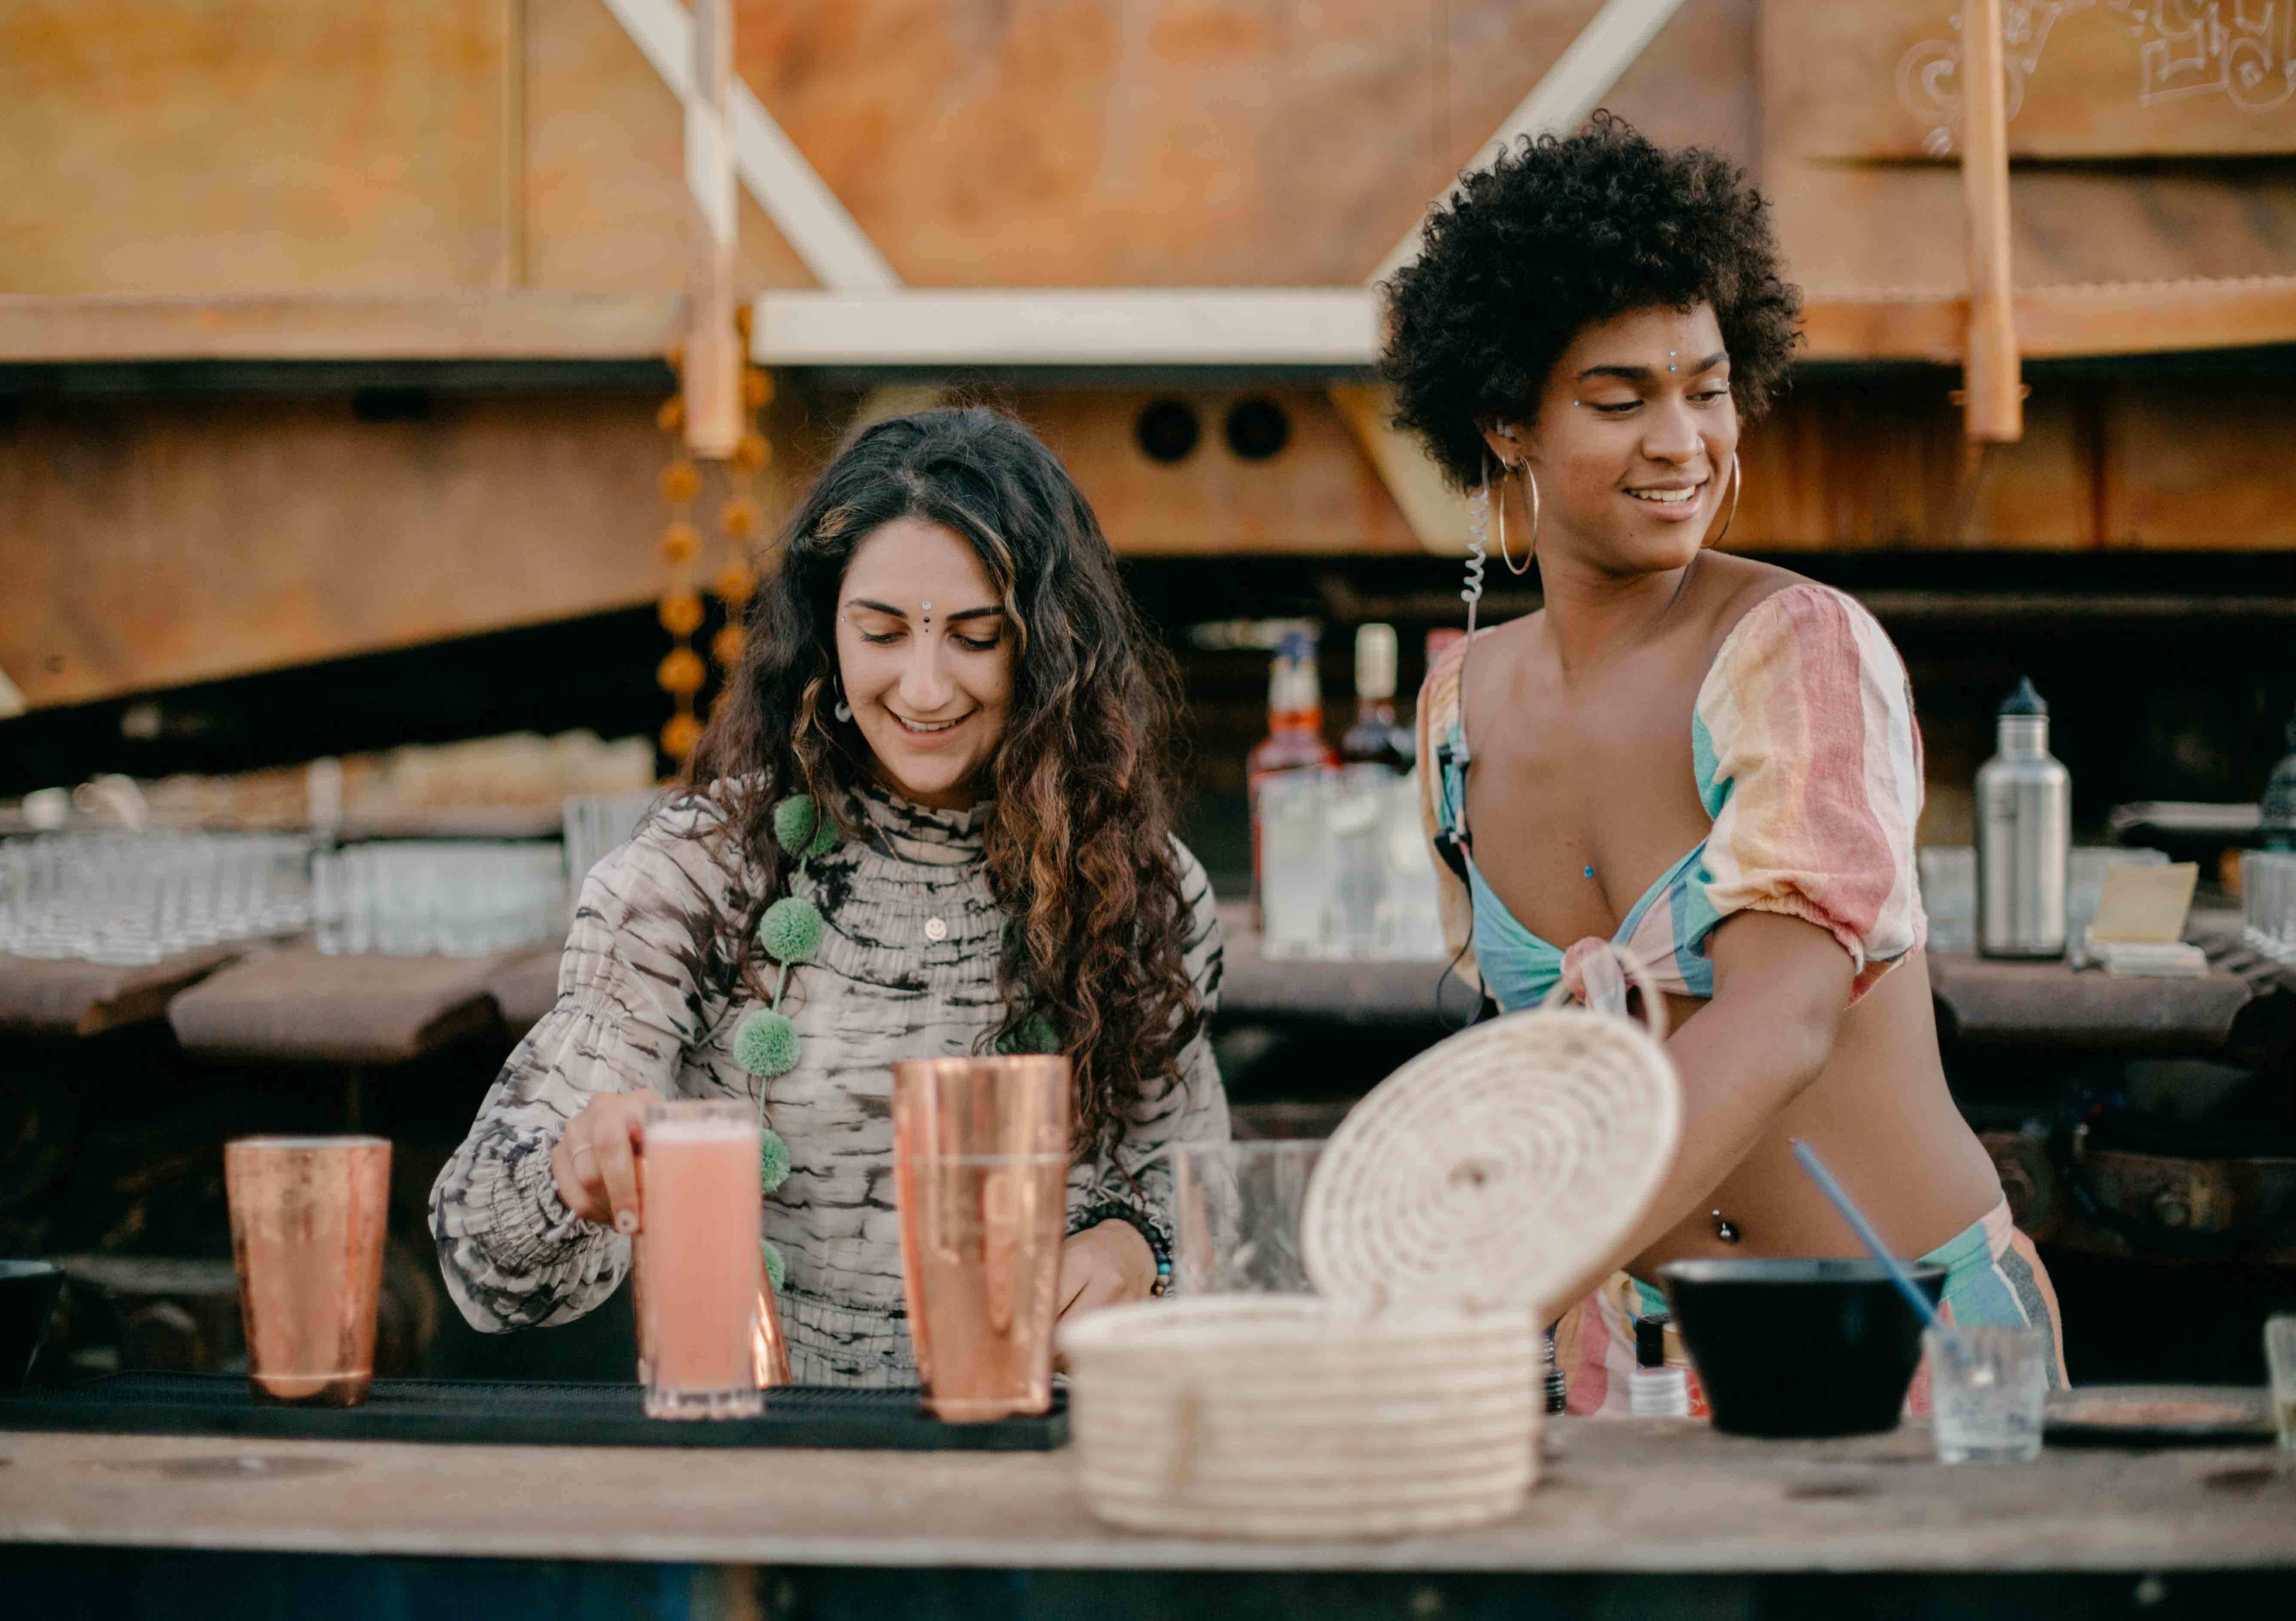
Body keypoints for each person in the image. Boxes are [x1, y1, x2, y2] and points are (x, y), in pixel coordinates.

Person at [1382, 116, 2063, 1414]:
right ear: (1504, 422)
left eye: (1705, 386)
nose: (1681, 439)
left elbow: (1784, 1012)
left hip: (1903, 1356)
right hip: (1625, 1371)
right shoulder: (1455, 712)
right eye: (1618, 397)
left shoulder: (1797, 650)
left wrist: (1512, 1269)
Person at [429, 407, 1228, 1386]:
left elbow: (1206, 1211)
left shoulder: (1143, 890)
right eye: (882, 633)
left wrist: (1137, 1250)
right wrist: (573, 1173)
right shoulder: (704, 870)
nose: (925, 689)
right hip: (761, 1473)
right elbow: (484, 1262)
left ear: (1051, 652)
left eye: (977, 638)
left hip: (1043, 1465)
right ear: (824, 635)